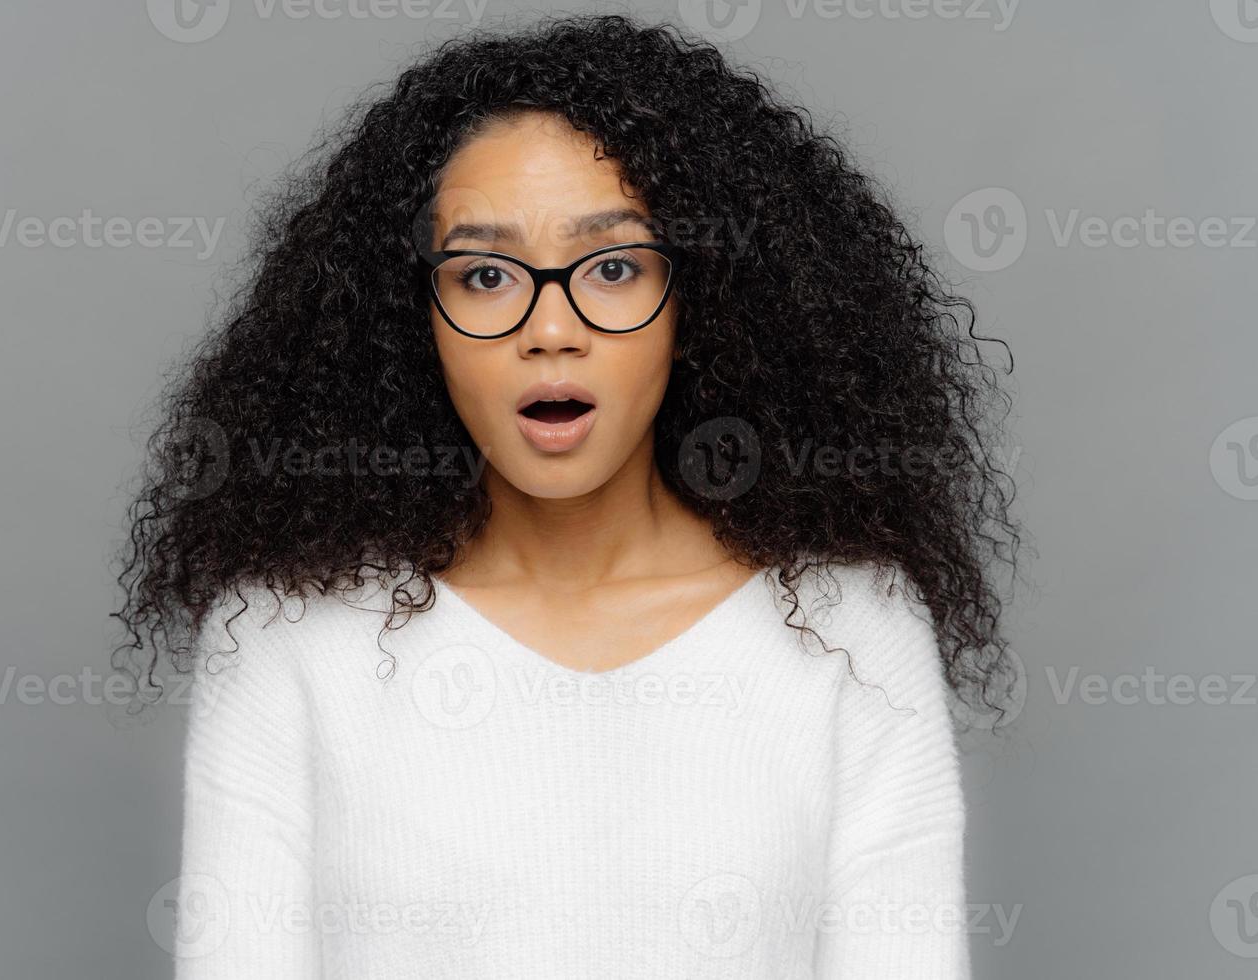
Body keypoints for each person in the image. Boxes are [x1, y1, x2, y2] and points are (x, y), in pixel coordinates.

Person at [113, 13, 1021, 978]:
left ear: (703, 297)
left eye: (615, 267)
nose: (551, 329)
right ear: (410, 317)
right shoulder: (284, 637)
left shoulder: (855, 630)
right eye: (486, 274)